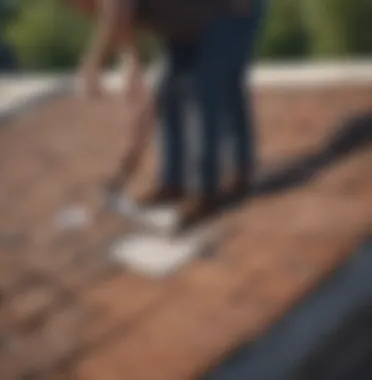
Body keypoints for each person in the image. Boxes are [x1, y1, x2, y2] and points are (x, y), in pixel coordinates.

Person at [68, 0, 267, 228]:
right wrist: (133, 77)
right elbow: (126, 43)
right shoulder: (111, 11)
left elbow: (117, 11)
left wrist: (92, 64)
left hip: (232, 10)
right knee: (168, 91)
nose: (79, 11)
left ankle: (209, 189)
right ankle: (174, 183)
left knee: (209, 87)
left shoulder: (113, 6)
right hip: (188, 28)